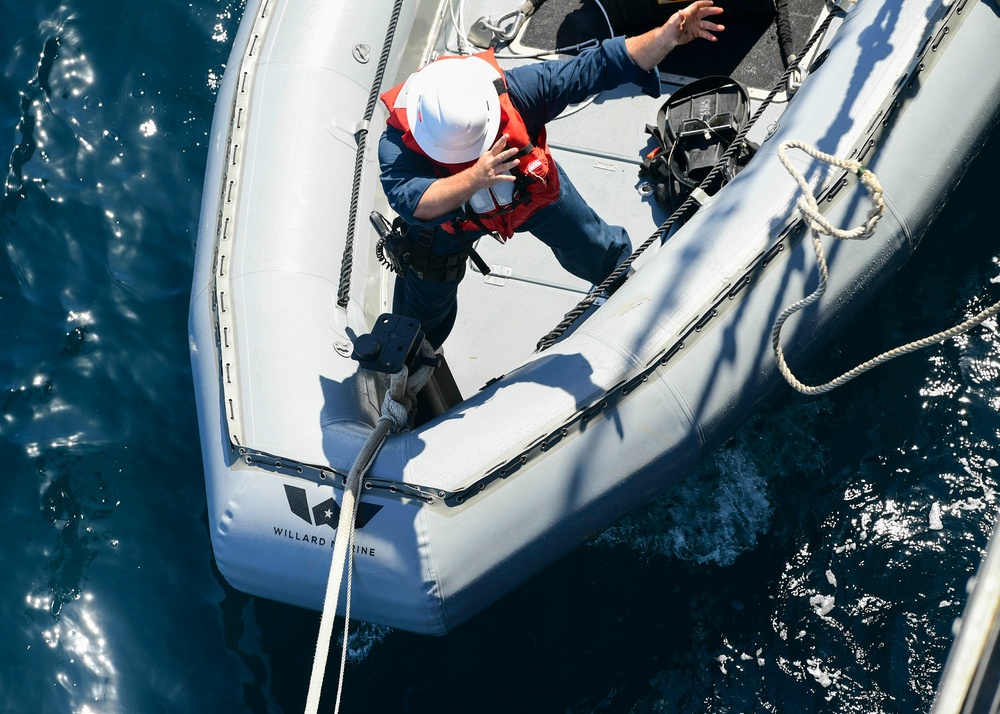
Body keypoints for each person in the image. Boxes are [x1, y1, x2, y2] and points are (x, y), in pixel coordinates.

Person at [378, 0, 725, 348]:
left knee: (593, 245)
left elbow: (596, 67)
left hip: (529, 194)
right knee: (426, 287)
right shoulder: (397, 143)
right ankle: (408, 357)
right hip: (450, 223)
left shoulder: (517, 91)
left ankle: (626, 290)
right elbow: (414, 202)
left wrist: (666, 37)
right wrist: (474, 178)